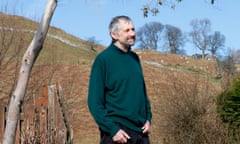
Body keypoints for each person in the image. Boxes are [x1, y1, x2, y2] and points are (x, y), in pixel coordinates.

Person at [88, 15, 152, 144]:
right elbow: (94, 102)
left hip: (141, 132)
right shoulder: (104, 60)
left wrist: (148, 118)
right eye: (127, 30)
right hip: (118, 133)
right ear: (114, 35)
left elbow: (142, 93)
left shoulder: (135, 58)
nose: (133, 33)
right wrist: (113, 130)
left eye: (133, 29)